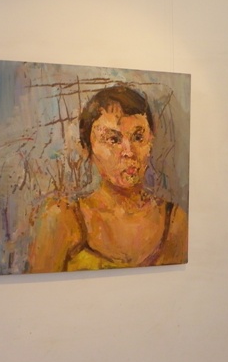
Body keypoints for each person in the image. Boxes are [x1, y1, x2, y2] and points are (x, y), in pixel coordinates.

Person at [27, 85, 188, 272]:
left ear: (150, 141)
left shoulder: (174, 220)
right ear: (87, 149)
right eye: (113, 140)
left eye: (138, 137)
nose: (129, 152)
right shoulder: (64, 219)